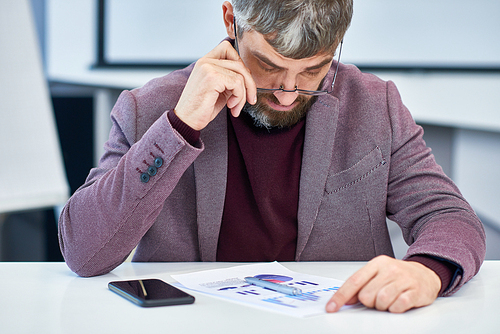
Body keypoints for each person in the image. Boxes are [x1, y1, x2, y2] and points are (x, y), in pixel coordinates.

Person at [58, 0, 485, 314]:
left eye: (312, 71)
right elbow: (83, 251)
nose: (285, 94)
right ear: (231, 20)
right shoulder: (150, 108)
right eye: (267, 66)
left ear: (337, 45)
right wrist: (180, 126)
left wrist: (427, 270)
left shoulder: (375, 106)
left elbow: (450, 217)